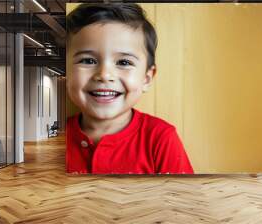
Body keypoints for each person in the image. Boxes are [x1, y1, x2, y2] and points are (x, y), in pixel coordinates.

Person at [66, 3, 194, 174]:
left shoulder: (161, 137)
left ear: (146, 78)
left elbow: (182, 198)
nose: (104, 75)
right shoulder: (58, 136)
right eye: (88, 61)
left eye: (124, 62)